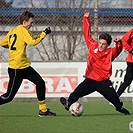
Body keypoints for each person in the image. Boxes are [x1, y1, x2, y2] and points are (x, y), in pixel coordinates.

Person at [60, 10, 130, 115]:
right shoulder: (93, 46)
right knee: (76, 93)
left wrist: (118, 43)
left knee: (117, 104)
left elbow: (118, 49)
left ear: (107, 45)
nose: (101, 45)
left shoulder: (111, 52)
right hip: (90, 81)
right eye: (100, 43)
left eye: (104, 44)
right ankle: (69, 104)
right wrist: (86, 18)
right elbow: (86, 33)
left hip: (103, 83)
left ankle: (120, 108)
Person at [0, 10, 56, 117]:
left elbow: (2, 43)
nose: (32, 24)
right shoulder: (23, 30)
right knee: (8, 97)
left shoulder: (13, 30)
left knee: (40, 83)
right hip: (16, 68)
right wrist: (44, 33)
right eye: (31, 22)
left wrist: (13, 48)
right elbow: (33, 42)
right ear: (24, 22)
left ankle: (43, 110)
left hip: (24, 66)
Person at [117, 29, 133, 96]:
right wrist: (131, 50)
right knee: (127, 81)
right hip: (132, 61)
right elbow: (124, 39)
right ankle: (116, 98)